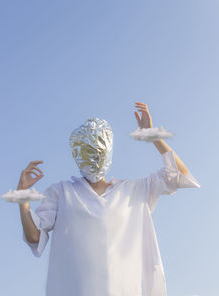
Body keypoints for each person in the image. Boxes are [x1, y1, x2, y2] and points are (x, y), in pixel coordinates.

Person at [18, 102, 200, 296]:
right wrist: (23, 197)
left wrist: (153, 136)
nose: (93, 155)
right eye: (87, 150)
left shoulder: (133, 190)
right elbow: (34, 237)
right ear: (77, 154)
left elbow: (180, 176)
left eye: (98, 148)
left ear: (108, 151)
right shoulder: (62, 192)